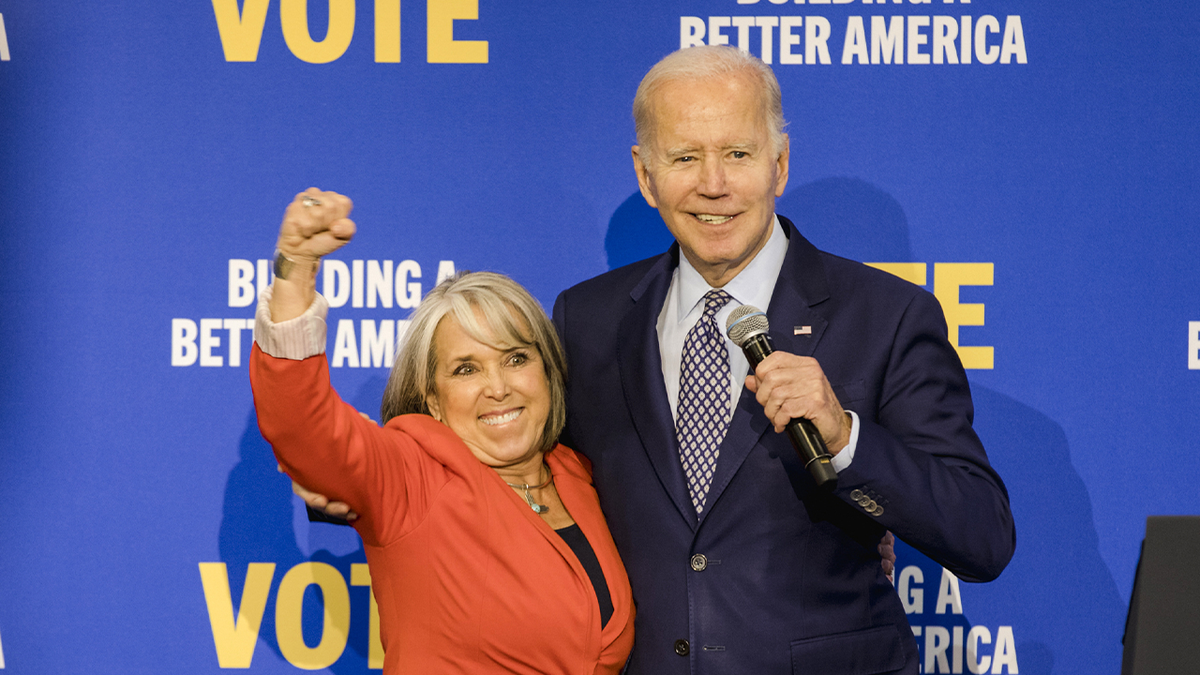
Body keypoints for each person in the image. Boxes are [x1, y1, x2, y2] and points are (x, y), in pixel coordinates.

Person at [548, 46, 1015, 673]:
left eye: (738, 154)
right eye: (685, 157)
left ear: (780, 164)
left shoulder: (887, 316)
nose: (713, 184)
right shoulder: (587, 319)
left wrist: (846, 438)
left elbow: (982, 536)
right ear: (646, 174)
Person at [250, 189, 634, 673]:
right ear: (432, 398)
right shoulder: (411, 476)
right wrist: (295, 272)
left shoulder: (579, 474)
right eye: (466, 370)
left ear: (548, 371)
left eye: (516, 358)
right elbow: (302, 425)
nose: (498, 387)